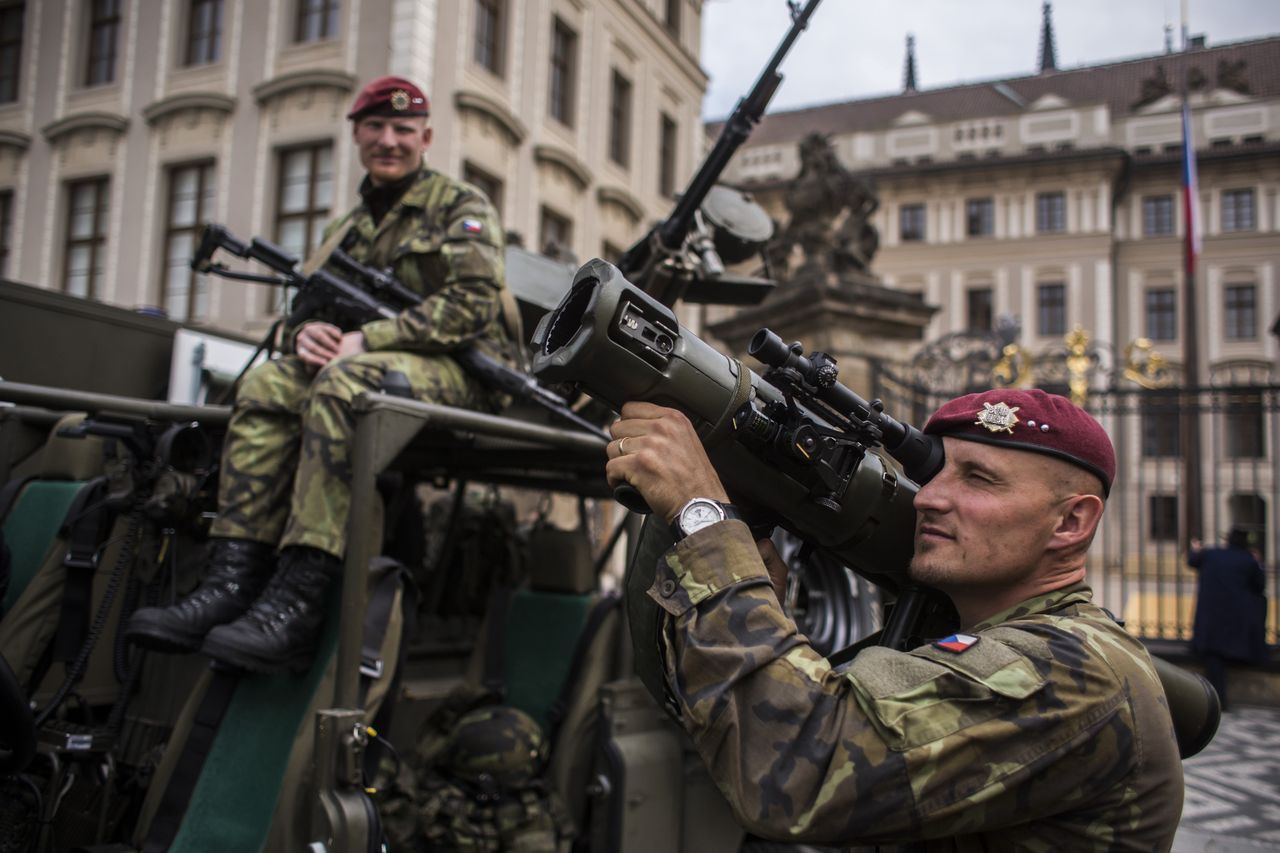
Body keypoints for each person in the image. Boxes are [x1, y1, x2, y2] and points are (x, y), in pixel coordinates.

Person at [605, 388, 1183, 849]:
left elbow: (793, 773)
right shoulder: (971, 634)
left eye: (978, 479)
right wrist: (755, 594)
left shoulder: (1070, 668)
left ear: (1070, 523)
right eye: (935, 475)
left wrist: (704, 519)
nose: (930, 498)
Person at [127, 76, 515, 674]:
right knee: (262, 385)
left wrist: (365, 339)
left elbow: (472, 308)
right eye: (376, 128)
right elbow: (300, 316)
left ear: (425, 137)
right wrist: (303, 336)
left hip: (466, 374)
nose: (389, 140)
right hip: (379, 364)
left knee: (345, 383)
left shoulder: (460, 207)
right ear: (357, 134)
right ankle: (232, 579)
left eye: (403, 130)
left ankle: (298, 603)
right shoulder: (343, 231)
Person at [1188, 527, 1267, 711]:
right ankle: (1219, 700)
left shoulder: (1211, 554)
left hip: (1211, 620)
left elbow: (1192, 560)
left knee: (1214, 656)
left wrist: (1195, 548)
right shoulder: (1248, 561)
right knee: (1226, 652)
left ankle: (1216, 700)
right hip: (1237, 621)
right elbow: (1260, 586)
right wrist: (1257, 562)